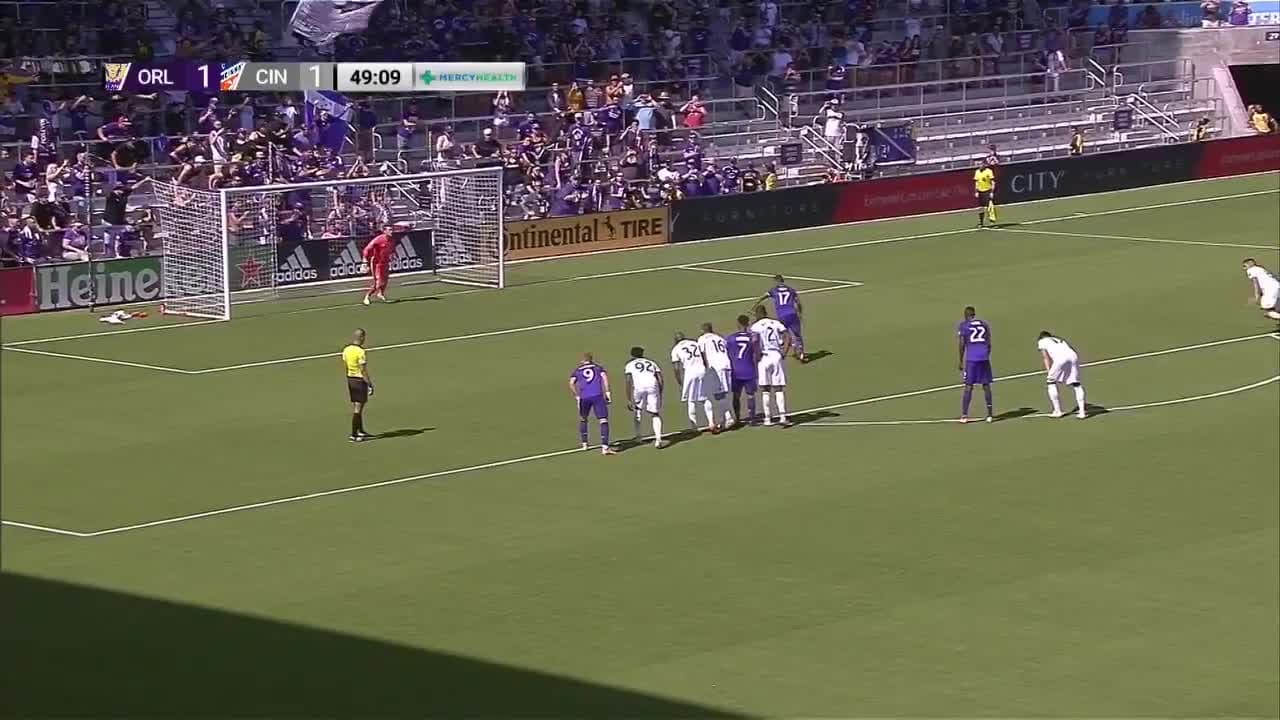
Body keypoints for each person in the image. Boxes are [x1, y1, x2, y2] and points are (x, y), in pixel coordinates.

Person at [750, 306, 792, 427]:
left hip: (764, 357)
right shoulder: (775, 323)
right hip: (776, 355)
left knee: (765, 389)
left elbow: (755, 342)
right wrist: (784, 352)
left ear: (757, 314)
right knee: (778, 388)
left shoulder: (755, 326)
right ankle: (782, 416)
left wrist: (757, 355)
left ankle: (767, 419)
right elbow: (787, 336)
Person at [569, 352, 617, 455]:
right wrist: (607, 392)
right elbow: (605, 378)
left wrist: (577, 395)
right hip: (597, 395)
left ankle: (584, 444)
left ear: (583, 361)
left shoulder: (578, 370)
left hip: (584, 397)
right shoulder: (598, 368)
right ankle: (605, 447)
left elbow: (571, 383)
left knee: (583, 418)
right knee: (603, 420)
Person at [623, 346, 667, 449]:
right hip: (653, 385)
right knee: (655, 413)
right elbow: (660, 378)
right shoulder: (651, 363)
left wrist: (629, 399)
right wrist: (659, 391)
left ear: (632, 355)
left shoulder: (629, 364)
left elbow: (628, 381)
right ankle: (658, 439)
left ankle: (639, 437)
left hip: (639, 387)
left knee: (638, 410)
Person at [1037, 331, 1088, 419]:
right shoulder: (1058, 339)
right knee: (1076, 383)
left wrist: (1049, 371)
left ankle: (1057, 411)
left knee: (1051, 381)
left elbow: (1046, 357)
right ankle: (1082, 412)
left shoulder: (1042, 341)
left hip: (1061, 358)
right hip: (1073, 356)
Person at [957, 306, 994, 424]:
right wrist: (986, 355)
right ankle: (990, 414)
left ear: (966, 315)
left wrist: (960, 360)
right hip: (984, 357)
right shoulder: (984, 324)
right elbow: (989, 343)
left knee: (969, 386)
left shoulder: (964, 325)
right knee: (986, 385)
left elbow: (962, 344)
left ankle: (964, 415)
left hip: (972, 359)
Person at [696, 323, 737, 430]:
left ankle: (729, 418)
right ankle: (724, 419)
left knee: (719, 395)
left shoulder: (702, 339)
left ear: (703, 330)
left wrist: (705, 368)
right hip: (726, 364)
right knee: (723, 393)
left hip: (716, 366)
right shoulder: (719, 337)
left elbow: (702, 354)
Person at [671, 331, 714, 432]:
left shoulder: (676, 349)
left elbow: (676, 368)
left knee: (691, 399)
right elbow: (704, 356)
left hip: (690, 372)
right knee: (705, 398)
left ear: (676, 340)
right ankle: (711, 422)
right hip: (701, 370)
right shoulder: (695, 343)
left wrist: (680, 381)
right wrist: (705, 368)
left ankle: (694, 426)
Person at [758, 275, 806, 361]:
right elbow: (798, 302)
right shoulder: (791, 290)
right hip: (792, 314)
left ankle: (784, 351)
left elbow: (763, 296)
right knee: (797, 335)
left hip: (782, 315)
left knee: (783, 334)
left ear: (776, 281)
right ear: (783, 281)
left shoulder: (774, 290)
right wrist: (800, 313)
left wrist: (755, 304)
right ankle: (801, 353)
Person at [726, 315, 760, 426]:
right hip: (749, 369)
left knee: (736, 395)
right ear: (748, 324)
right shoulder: (753, 337)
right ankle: (752, 419)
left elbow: (727, 354)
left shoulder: (730, 338)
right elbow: (757, 354)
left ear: (738, 324)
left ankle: (737, 418)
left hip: (736, 371)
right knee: (750, 395)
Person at [342, 329, 374, 442]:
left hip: (350, 379)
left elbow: (345, 365)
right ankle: (354, 434)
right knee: (358, 408)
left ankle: (360, 430)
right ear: (361, 337)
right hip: (359, 380)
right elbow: (363, 370)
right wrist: (369, 383)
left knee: (357, 406)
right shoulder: (361, 352)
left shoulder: (346, 350)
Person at [362, 224, 395, 305]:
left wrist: (392, 257)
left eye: (392, 230)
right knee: (378, 282)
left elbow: (391, 250)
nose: (392, 231)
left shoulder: (392, 240)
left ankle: (380, 294)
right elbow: (367, 249)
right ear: (384, 231)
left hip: (385, 263)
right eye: (390, 230)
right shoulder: (378, 239)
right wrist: (365, 261)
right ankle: (367, 296)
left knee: (385, 281)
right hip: (377, 263)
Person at [973, 160, 997, 228]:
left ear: (984, 165)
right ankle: (981, 222)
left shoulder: (989, 171)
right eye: (978, 164)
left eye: (981, 164)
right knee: (980, 208)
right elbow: (976, 182)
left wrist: (992, 192)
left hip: (987, 191)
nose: (979, 165)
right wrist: (976, 191)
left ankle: (992, 221)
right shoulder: (977, 172)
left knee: (990, 206)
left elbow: (993, 182)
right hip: (980, 191)